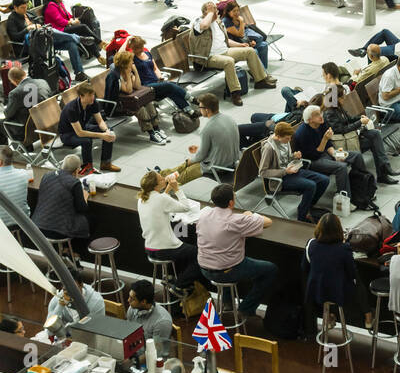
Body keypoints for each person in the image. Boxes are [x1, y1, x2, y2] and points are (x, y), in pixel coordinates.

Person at [197, 183, 277, 324]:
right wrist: (250, 215)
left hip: (204, 269)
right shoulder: (236, 220)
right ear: (231, 202)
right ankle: (247, 308)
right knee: (270, 269)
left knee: (227, 261)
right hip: (227, 271)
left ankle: (228, 302)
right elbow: (268, 222)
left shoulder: (204, 213)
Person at [184, 1, 268, 106]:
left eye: (215, 10)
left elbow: (226, 41)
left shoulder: (218, 22)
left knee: (250, 51)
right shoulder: (198, 22)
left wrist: (240, 45)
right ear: (206, 13)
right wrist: (210, 13)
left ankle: (260, 81)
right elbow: (205, 25)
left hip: (225, 51)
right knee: (229, 62)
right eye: (213, 10)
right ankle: (235, 93)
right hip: (208, 57)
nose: (216, 12)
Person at [137, 169, 203, 291]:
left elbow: (160, 202)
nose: (164, 178)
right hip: (164, 249)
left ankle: (171, 277)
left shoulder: (141, 199)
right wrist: (177, 189)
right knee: (200, 255)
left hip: (150, 248)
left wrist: (167, 189)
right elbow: (185, 207)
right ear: (156, 185)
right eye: (161, 178)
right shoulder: (161, 199)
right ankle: (180, 285)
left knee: (182, 247)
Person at [306, 212, 370, 329]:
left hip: (316, 291)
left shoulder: (311, 244)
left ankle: (329, 315)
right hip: (339, 294)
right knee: (358, 279)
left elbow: (306, 267)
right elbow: (351, 273)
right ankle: (368, 316)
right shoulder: (344, 248)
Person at [261, 121, 329, 223]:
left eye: (290, 138)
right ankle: (301, 218)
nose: (289, 140)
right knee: (311, 186)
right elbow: (263, 172)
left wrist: (294, 156)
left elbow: (285, 158)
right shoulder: (269, 148)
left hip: (292, 171)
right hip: (280, 179)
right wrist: (284, 171)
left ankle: (306, 207)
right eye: (287, 138)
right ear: (278, 136)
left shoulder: (285, 140)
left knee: (324, 180)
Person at [32, 155, 91, 254]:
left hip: (37, 225)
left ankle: (65, 251)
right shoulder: (74, 182)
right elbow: (82, 208)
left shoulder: (47, 176)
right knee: (90, 221)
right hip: (56, 231)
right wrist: (85, 196)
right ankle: (74, 253)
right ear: (77, 170)